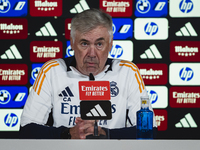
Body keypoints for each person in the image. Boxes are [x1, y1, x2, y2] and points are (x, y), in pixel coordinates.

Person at [19, 8, 157, 139]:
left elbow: (150, 130)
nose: (92, 54)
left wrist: (104, 134)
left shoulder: (127, 72)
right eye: (84, 44)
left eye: (99, 44)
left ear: (110, 44)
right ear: (72, 43)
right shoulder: (52, 71)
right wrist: (68, 134)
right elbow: (27, 130)